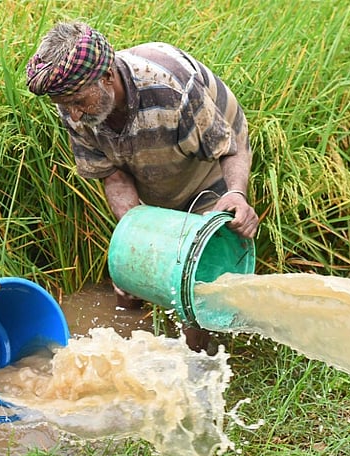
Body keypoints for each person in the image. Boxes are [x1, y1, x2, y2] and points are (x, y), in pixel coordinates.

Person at [26, 21, 258, 352]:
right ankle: (128, 351)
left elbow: (230, 147)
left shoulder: (173, 91)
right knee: (129, 279)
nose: (73, 115)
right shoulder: (74, 105)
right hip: (152, 166)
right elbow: (113, 175)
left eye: (77, 101)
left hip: (207, 168)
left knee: (193, 286)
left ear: (107, 77)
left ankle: (199, 363)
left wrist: (236, 193)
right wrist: (138, 244)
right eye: (64, 105)